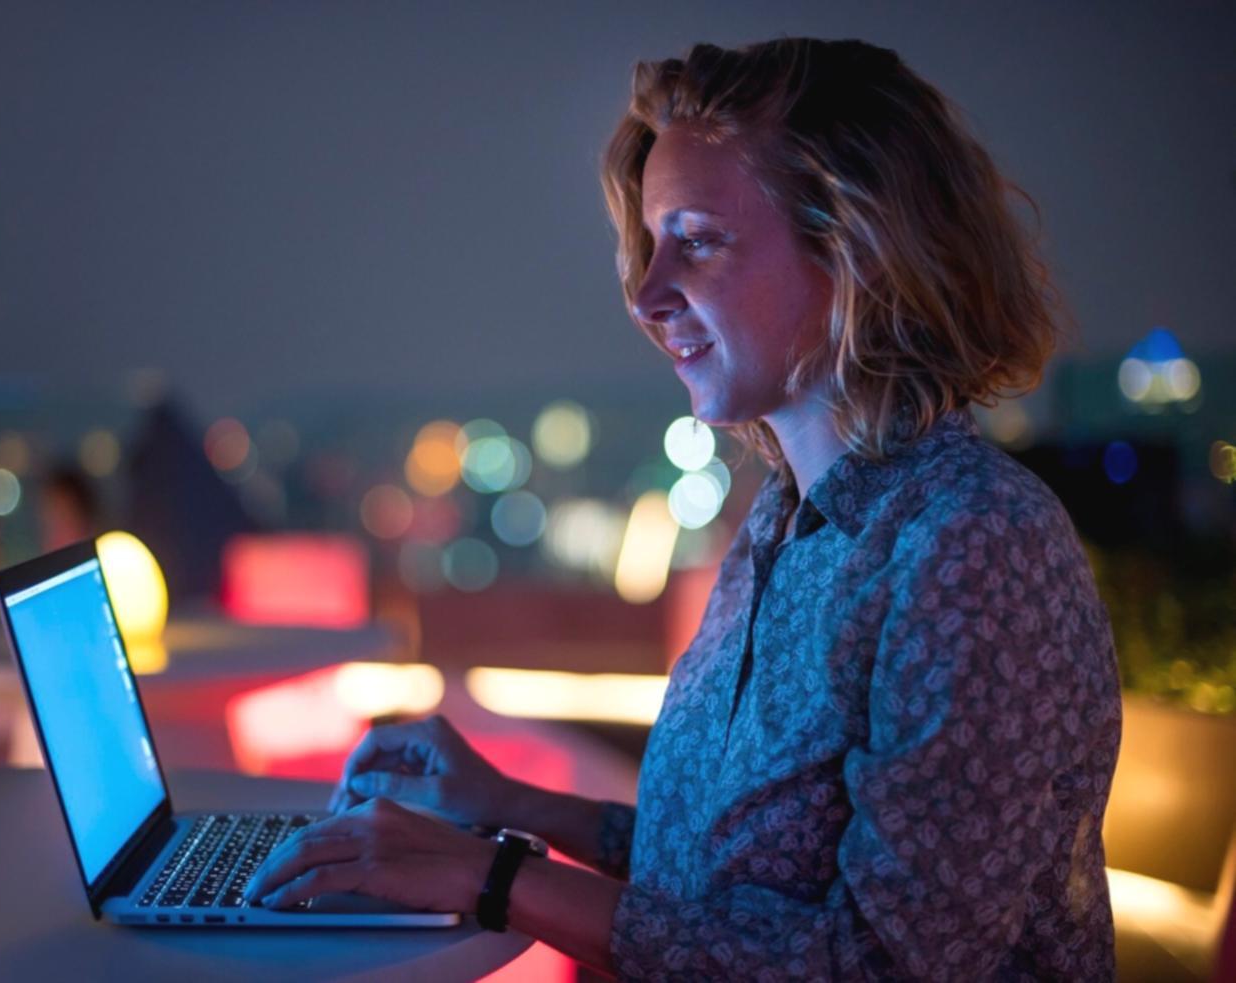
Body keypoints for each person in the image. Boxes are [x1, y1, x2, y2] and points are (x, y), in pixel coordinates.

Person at [243, 37, 1120, 980]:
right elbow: (728, 880)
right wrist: (515, 803)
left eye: (696, 240)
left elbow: (878, 965)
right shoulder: (782, 522)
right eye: (650, 244)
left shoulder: (973, 546)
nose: (644, 294)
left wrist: (490, 875)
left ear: (858, 252)